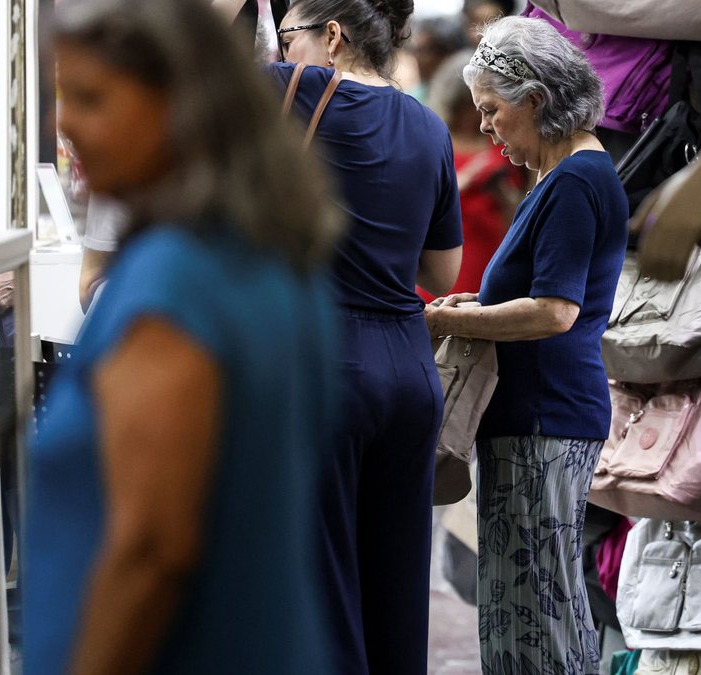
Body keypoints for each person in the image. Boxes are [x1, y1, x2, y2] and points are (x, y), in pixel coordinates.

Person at [22, 1, 343, 674]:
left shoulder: (173, 286)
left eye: (91, 98)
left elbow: (151, 551)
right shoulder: (272, 258)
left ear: (180, 103)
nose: (65, 123)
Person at [213, 0, 465, 671]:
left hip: (324, 363)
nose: (283, 49)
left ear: (331, 35)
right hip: (410, 370)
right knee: (397, 584)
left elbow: (188, 74)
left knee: (322, 585)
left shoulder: (280, 93)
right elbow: (443, 270)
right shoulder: (429, 125)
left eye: (289, 36)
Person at [423, 17, 628, 674]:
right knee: (535, 602)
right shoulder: (567, 178)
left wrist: (452, 322)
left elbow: (554, 311)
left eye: (492, 110)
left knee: (537, 607)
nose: (485, 127)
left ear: (535, 98)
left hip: (545, 417)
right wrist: (473, 306)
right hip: (540, 417)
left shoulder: (573, 181)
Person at [420, 49, 525, 301]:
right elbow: (416, 212)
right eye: (469, 106)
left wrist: (503, 196)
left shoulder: (504, 146)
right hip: (447, 258)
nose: (477, 116)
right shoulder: (433, 141)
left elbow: (517, 221)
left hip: (491, 253)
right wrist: (463, 182)